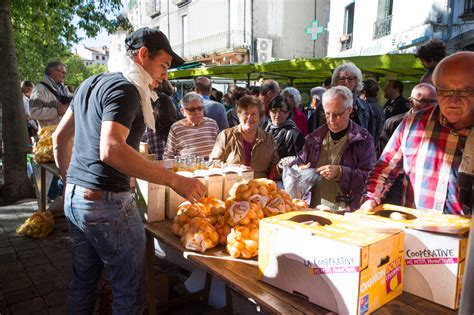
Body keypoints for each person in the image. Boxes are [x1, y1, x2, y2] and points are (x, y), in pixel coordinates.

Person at [52, 27, 206, 313]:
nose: (165, 74)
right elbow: (111, 149)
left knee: (83, 283)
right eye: (164, 65)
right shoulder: (127, 89)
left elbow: (59, 138)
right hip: (107, 203)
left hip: (76, 198)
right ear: (143, 55)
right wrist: (175, 181)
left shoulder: (89, 84)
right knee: (129, 290)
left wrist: (69, 180)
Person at [361, 52, 474, 215]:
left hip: (466, 237)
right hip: (415, 231)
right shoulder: (413, 124)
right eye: (445, 91)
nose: (453, 99)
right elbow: (385, 167)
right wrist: (371, 198)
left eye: (465, 91)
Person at [291, 86, 376, 211]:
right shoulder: (315, 137)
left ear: (349, 110)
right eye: (327, 114)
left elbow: (370, 178)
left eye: (336, 114)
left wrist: (341, 172)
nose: (331, 120)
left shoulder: (363, 139)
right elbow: (297, 164)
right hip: (313, 209)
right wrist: (299, 170)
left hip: (346, 211)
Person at [377, 83, 438, 205]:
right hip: (395, 183)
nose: (430, 106)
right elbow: (383, 160)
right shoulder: (394, 123)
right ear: (411, 102)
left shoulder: (441, 126)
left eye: (434, 101)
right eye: (424, 101)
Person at [210, 95, 279, 178]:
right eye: (246, 113)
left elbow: (275, 167)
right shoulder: (225, 136)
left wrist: (283, 166)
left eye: (253, 114)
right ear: (238, 116)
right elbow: (212, 163)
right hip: (232, 187)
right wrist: (234, 168)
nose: (249, 117)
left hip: (260, 187)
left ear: (260, 118)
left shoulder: (268, 139)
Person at [331, 62, 380, 143]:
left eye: (350, 79)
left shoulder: (365, 107)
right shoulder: (325, 106)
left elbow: (371, 137)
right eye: (342, 78)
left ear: (356, 82)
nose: (346, 82)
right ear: (336, 81)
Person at [163, 92, 219, 159]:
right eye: (192, 109)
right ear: (183, 111)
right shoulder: (176, 128)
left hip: (211, 167)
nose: (197, 112)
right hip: (186, 168)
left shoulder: (212, 124)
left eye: (199, 108)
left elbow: (220, 148)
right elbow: (168, 155)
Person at [29, 60, 71, 128]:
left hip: (64, 132)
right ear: (52, 71)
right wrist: (57, 111)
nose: (65, 76)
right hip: (49, 135)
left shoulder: (63, 88)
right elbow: (33, 112)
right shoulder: (39, 89)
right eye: (63, 73)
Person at [142, 93, 177, 160]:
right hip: (175, 167)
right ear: (171, 108)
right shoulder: (177, 126)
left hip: (154, 166)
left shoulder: (148, 128)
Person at [360, 79, 385, 146]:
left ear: (364, 93)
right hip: (377, 147)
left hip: (368, 148)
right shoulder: (380, 107)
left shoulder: (365, 108)